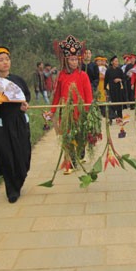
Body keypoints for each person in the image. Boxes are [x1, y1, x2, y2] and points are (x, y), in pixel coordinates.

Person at [0, 47, 31, 203]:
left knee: (24, 156)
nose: (5, 62)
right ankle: (12, 189)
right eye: (1, 60)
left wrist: (24, 106)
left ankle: (19, 180)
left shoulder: (18, 80)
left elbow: (26, 98)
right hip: (3, 124)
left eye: (7, 59)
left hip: (20, 122)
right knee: (7, 156)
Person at [50, 35, 93, 174]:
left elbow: (88, 95)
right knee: (67, 136)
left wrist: (87, 110)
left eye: (76, 59)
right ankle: (71, 162)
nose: (74, 62)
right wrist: (52, 110)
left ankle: (80, 154)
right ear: (66, 60)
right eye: (71, 59)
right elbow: (57, 94)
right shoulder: (61, 75)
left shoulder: (83, 75)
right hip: (66, 111)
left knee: (80, 134)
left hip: (79, 111)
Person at [104, 55, 126, 121]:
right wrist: (104, 89)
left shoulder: (120, 70)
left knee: (119, 103)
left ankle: (120, 117)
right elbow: (106, 80)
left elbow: (124, 78)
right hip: (111, 88)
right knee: (112, 103)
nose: (117, 62)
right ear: (112, 62)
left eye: (117, 61)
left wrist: (119, 79)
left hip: (118, 89)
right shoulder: (108, 70)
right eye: (115, 61)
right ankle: (111, 118)